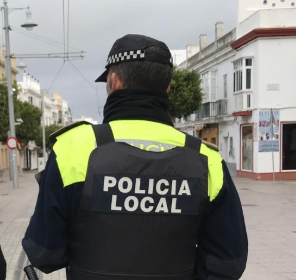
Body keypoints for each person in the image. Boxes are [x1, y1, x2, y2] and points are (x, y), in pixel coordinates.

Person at [22, 34, 248, 280]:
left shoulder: (72, 149)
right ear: (167, 87)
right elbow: (228, 262)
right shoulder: (207, 159)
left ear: (115, 82)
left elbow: (45, 255)